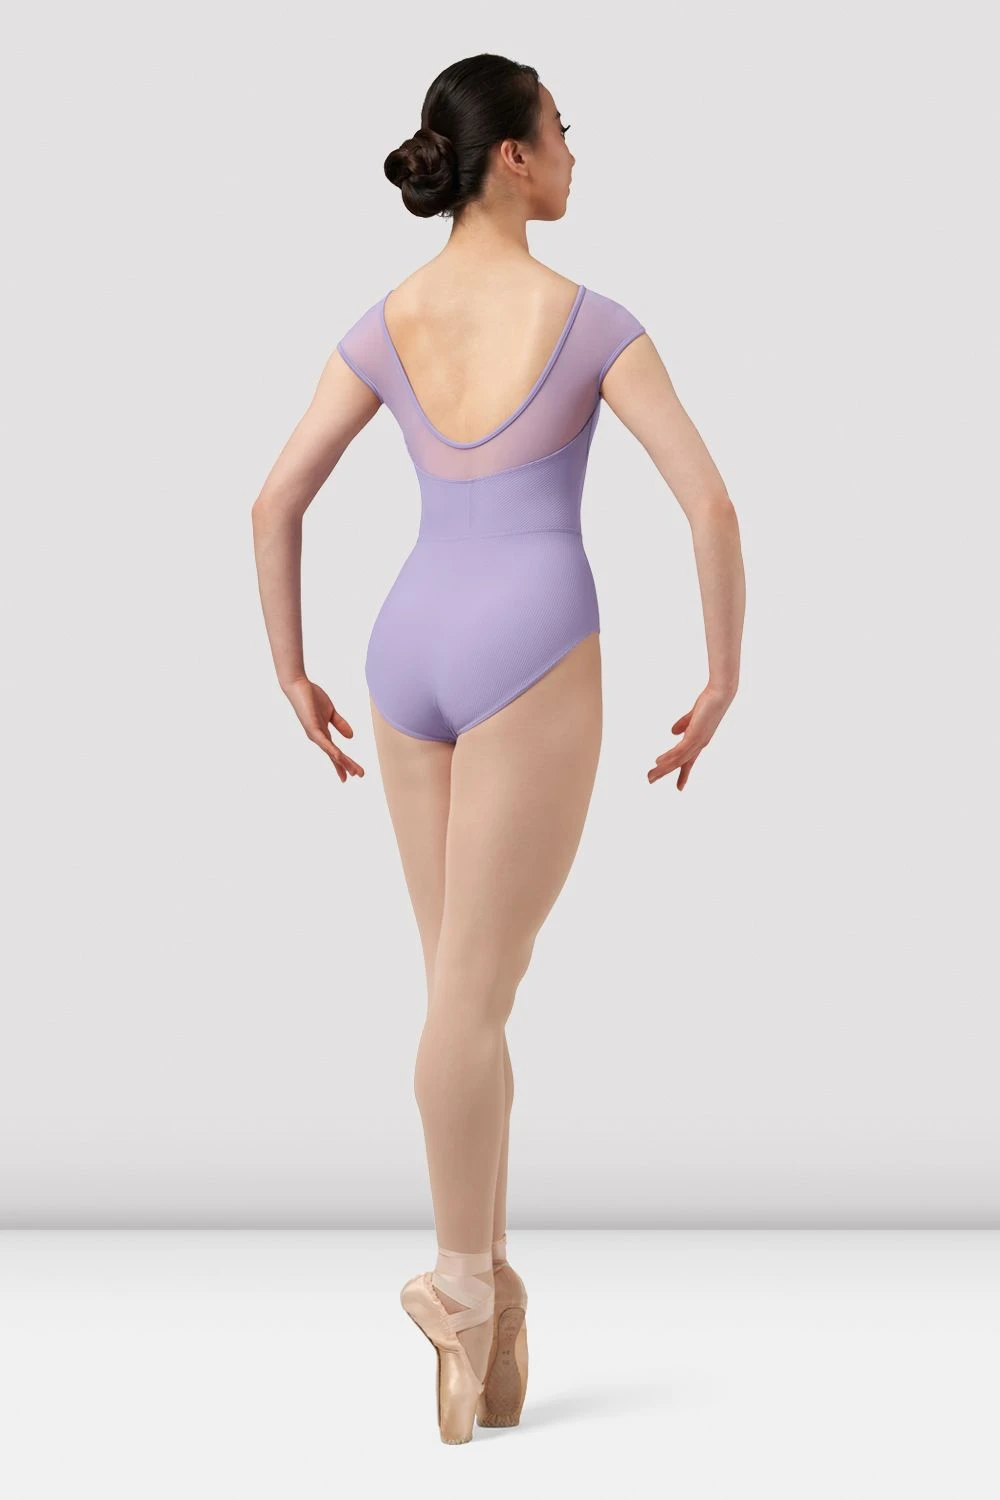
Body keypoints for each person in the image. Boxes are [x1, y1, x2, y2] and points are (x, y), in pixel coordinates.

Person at [251, 52, 745, 1444]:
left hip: (405, 646)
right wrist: (722, 676)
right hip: (529, 641)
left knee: (462, 1001)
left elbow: (274, 500)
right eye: (561, 132)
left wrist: (289, 670)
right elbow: (710, 506)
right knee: (468, 1005)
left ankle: (494, 1305)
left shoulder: (389, 317)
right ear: (514, 160)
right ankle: (459, 1285)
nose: (576, 154)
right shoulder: (591, 322)